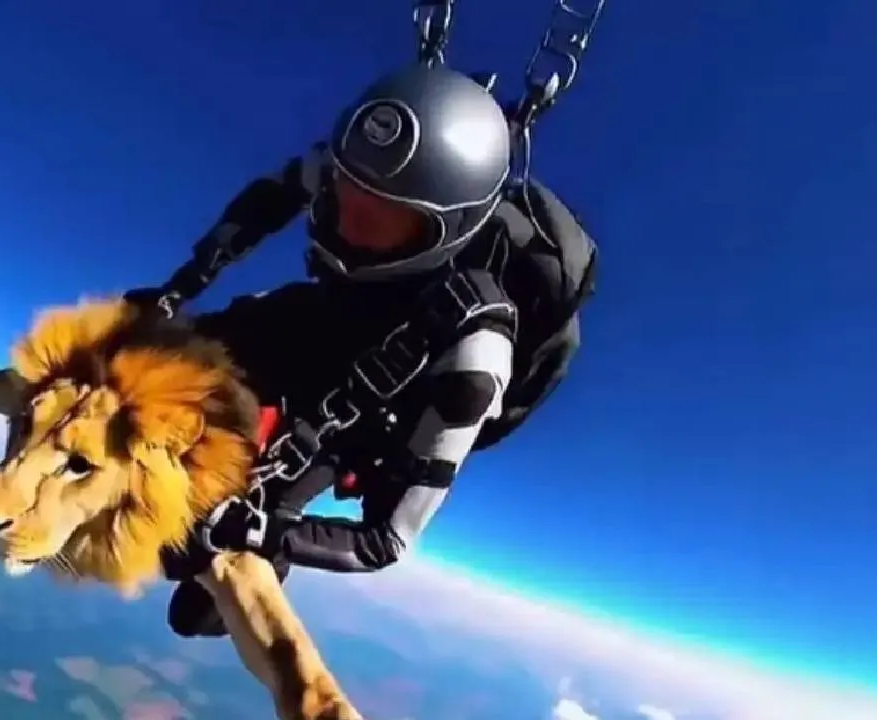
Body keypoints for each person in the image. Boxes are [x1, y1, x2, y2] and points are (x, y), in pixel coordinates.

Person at [125, 61, 596, 639]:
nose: (347, 227)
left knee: (200, 573)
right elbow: (268, 203)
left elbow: (385, 541)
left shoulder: (476, 354)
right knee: (167, 348)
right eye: (344, 198)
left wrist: (264, 533)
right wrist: (177, 291)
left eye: (380, 221)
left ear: (449, 230)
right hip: (331, 316)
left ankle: (250, 552)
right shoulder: (354, 168)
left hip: (379, 409)